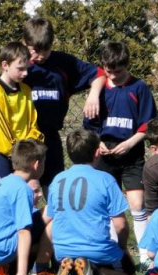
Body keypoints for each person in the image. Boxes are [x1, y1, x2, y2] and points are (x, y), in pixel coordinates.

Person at [84, 42, 158, 269]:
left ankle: (145, 257)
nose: (114, 76)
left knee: (137, 203)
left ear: (127, 66)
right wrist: (99, 143)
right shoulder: (98, 91)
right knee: (108, 208)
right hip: (104, 155)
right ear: (103, 67)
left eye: (119, 71)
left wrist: (130, 143)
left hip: (131, 153)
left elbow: (149, 123)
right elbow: (89, 125)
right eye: (109, 71)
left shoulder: (139, 88)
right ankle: (112, 256)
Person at [46, 129, 137, 275]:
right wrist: (121, 247)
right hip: (97, 250)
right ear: (97, 153)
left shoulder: (58, 180)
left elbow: (52, 219)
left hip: (62, 250)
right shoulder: (106, 179)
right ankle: (95, 270)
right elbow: (121, 225)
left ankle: (71, 270)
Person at [22, 17, 105, 194]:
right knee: (26, 193)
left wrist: (93, 94)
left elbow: (99, 74)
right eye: (35, 50)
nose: (41, 56)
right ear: (25, 43)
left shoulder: (63, 63)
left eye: (46, 50)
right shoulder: (20, 66)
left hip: (50, 138)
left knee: (55, 192)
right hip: (24, 139)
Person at [0, 140, 55, 275]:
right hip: (3, 250)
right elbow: (23, 232)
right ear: (36, 164)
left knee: (42, 215)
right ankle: (38, 271)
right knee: (53, 217)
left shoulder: (3, 182)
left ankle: (2, 268)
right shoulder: (21, 188)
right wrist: (21, 273)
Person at [0, 41, 43, 202]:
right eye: (20, 69)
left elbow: (31, 122)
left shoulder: (26, 90)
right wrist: (16, 155)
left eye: (26, 68)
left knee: (21, 197)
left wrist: (31, 145)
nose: (25, 73)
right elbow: (1, 131)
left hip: (23, 153)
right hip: (0, 153)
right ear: (5, 65)